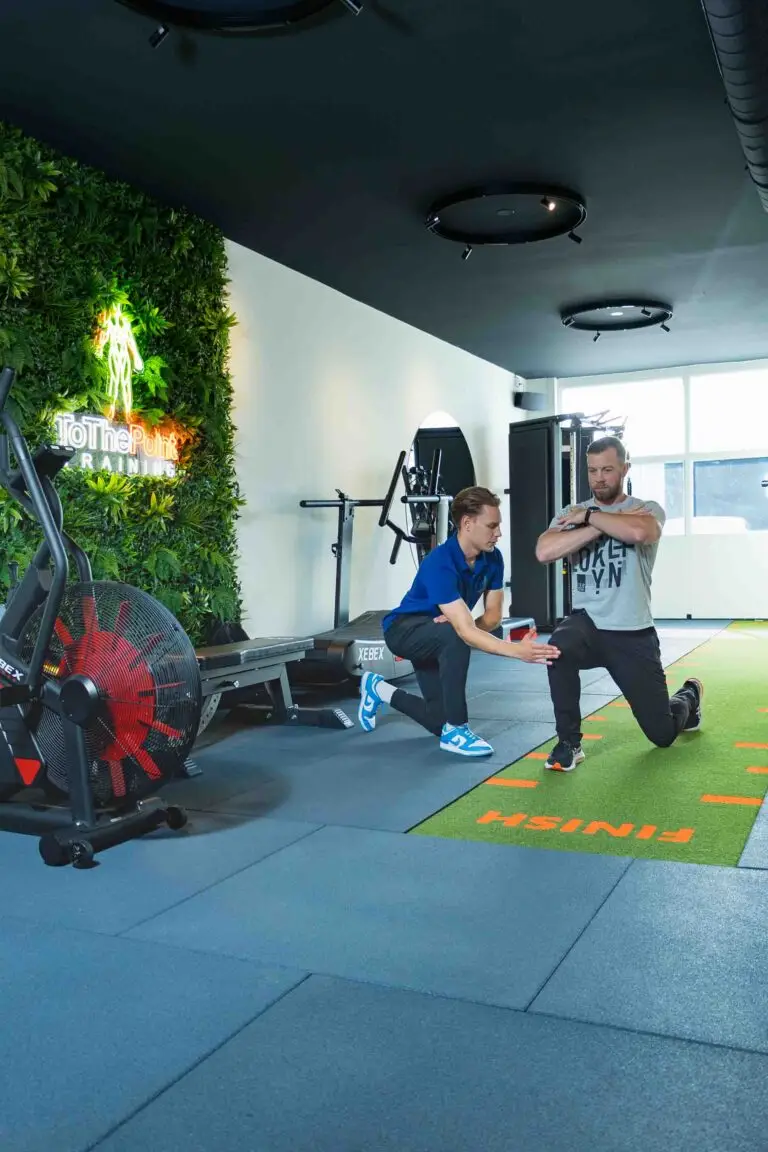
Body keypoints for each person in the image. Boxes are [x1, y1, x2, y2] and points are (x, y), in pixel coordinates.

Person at [534, 435, 703, 772]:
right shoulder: (571, 512)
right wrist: (597, 524)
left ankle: (689, 696)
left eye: (608, 469)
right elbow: (544, 551)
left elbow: (641, 533)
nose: (599, 478)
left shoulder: (645, 509)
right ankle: (569, 743)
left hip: (632, 632)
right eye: (593, 470)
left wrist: (591, 518)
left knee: (662, 734)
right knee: (558, 648)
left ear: (626, 468)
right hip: (588, 625)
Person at [358, 485, 561, 757]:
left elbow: (491, 617)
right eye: (492, 526)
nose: (498, 533)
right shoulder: (439, 562)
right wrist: (515, 650)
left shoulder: (493, 559)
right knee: (455, 636)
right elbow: (463, 631)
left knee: (436, 720)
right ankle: (457, 729)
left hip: (438, 636)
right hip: (404, 630)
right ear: (467, 523)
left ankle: (377, 688)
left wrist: (461, 628)